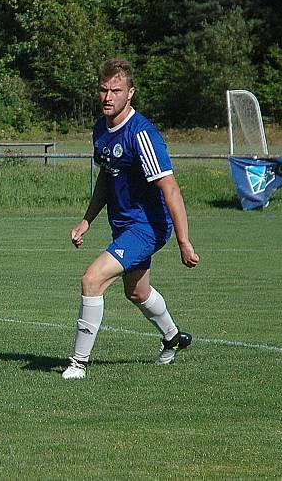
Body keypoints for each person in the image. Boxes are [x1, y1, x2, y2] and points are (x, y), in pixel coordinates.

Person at [62, 58, 200, 380]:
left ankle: (77, 364)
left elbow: (171, 190)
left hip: (148, 227)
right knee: (137, 292)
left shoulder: (142, 135)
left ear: (130, 93)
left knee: (92, 279)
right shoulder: (101, 128)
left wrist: (183, 241)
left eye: (116, 90)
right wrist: (87, 220)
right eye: (103, 89)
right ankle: (172, 338)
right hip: (123, 225)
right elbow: (107, 178)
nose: (108, 96)